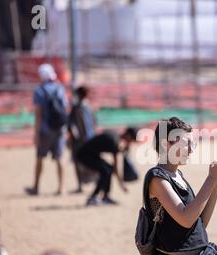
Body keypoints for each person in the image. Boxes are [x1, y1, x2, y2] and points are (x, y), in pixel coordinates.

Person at [144, 117, 217, 255]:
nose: (191, 150)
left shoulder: (177, 176)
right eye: (186, 144)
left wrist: (216, 186)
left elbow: (197, 225)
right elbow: (185, 219)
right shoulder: (157, 178)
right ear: (166, 144)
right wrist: (210, 179)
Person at [25, 63, 69, 196]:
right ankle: (61, 188)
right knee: (59, 158)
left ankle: (36, 187)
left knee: (40, 157)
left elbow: (38, 114)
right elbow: (65, 109)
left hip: (45, 129)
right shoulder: (60, 89)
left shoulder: (39, 91)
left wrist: (36, 133)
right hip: (60, 129)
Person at [76, 128, 138, 206]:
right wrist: (121, 183)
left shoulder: (116, 137)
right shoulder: (116, 142)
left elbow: (118, 161)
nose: (130, 143)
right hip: (84, 155)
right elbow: (117, 165)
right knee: (106, 171)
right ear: (128, 136)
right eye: (131, 140)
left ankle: (105, 197)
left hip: (89, 154)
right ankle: (93, 198)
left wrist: (120, 182)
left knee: (108, 169)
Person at [68, 85, 96, 193]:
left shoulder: (77, 107)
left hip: (79, 140)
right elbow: (94, 123)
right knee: (91, 161)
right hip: (90, 138)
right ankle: (92, 183)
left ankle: (80, 185)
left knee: (78, 162)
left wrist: (73, 137)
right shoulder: (89, 107)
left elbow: (71, 124)